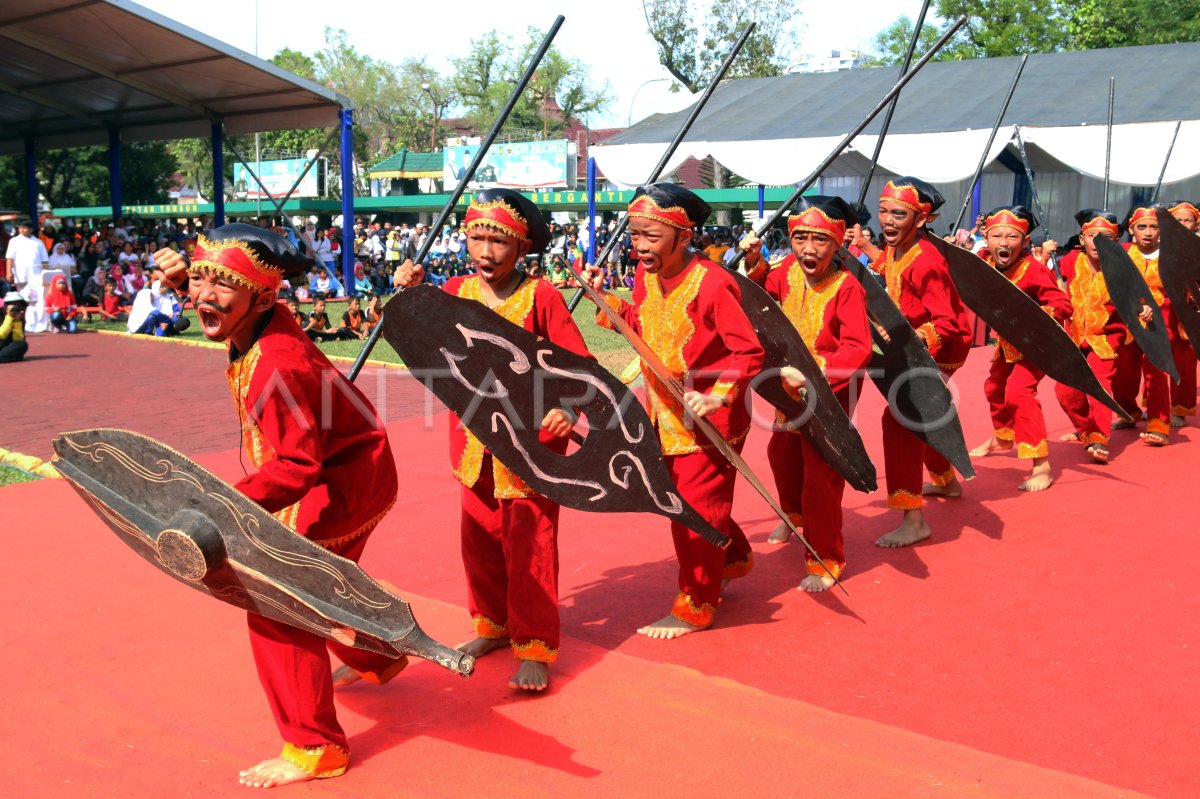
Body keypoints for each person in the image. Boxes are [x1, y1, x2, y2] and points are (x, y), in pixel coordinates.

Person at [154, 224, 402, 787]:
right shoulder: (262, 319)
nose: (203, 298)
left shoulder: (275, 362)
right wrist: (187, 285)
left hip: (337, 486)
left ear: (263, 297)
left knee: (274, 603)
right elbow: (226, 305)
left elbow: (296, 465)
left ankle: (315, 749)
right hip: (351, 470)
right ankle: (380, 657)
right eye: (198, 280)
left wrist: (218, 506)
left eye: (222, 286)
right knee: (315, 589)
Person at [391, 189, 591, 692]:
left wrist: (566, 409)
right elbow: (416, 337)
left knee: (531, 544)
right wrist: (407, 292)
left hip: (532, 443)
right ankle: (494, 626)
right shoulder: (456, 289)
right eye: (477, 237)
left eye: (498, 241)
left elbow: (579, 366)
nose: (486, 251)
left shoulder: (542, 296)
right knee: (479, 540)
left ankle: (536, 646)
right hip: (473, 439)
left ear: (521, 246)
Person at [582, 183, 765, 638]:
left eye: (650, 236)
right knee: (689, 500)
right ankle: (735, 557)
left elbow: (749, 352)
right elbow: (644, 326)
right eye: (636, 234)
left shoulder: (714, 282)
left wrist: (719, 395)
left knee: (692, 508)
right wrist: (602, 301)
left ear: (683, 237)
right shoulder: (646, 277)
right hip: (662, 411)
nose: (639, 246)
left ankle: (697, 605)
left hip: (710, 418)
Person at [741, 196, 872, 590]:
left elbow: (858, 348)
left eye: (819, 241)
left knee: (821, 476)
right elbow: (764, 289)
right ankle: (795, 520)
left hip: (831, 391)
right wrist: (754, 260)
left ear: (837, 245)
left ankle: (826, 557)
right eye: (800, 239)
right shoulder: (788, 271)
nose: (808, 249)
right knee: (781, 457)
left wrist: (816, 376)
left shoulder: (848, 286)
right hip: (787, 388)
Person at [851, 178, 971, 547]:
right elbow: (889, 268)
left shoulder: (928, 262)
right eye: (883, 211)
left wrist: (914, 337)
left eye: (898, 214)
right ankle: (946, 482)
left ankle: (913, 518)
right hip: (911, 345)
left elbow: (947, 322)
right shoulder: (901, 247)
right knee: (925, 417)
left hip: (939, 349)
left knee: (902, 418)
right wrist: (865, 246)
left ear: (921, 220)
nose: (887, 220)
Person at [969, 206, 1073, 489]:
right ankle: (1003, 437)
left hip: (1038, 344)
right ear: (986, 239)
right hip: (1008, 344)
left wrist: (1033, 320)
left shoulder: (1034, 270)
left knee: (1018, 392)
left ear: (1025, 241)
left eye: (1012, 237)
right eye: (996, 236)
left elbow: (1063, 304)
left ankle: (1041, 464)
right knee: (993, 388)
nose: (1003, 243)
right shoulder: (982, 261)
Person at [1054, 209, 1129, 463]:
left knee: (1100, 386)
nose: (1097, 242)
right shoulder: (1068, 261)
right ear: (1081, 239)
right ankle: (1086, 428)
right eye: (1092, 235)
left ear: (1115, 242)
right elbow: (1042, 279)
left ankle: (1099, 436)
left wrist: (1146, 309)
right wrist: (1045, 256)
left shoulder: (1124, 267)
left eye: (1105, 236)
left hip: (1105, 339)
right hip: (1072, 339)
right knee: (1064, 391)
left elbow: (1140, 298)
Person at [1111, 205, 1172, 446]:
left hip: (1160, 322)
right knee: (1123, 371)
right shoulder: (1121, 253)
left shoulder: (1171, 257)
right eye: (1142, 227)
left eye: (1154, 227)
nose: (1148, 232)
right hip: (1126, 321)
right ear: (1131, 230)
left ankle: (1159, 423)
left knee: (1157, 373)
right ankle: (1128, 412)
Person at [1165, 200, 1199, 426]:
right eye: (1179, 220)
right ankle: (1156, 405)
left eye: (1188, 220)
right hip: (1161, 308)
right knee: (1156, 362)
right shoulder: (1157, 244)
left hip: (1189, 311)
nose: (1183, 224)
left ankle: (1180, 408)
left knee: (1185, 362)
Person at [4, 220, 50, 333]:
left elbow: (45, 261)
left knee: (39, 300)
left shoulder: (38, 242)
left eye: (24, 228)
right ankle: (28, 323)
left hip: (37, 276)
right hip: (21, 275)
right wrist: (9, 272)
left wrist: (45, 275)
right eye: (20, 228)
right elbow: (10, 258)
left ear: (31, 229)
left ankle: (40, 324)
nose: (22, 230)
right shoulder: (14, 241)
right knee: (25, 300)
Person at [0, 291, 28, 363]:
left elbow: (18, 340)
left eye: (19, 305)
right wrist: (9, 318)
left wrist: (17, 321)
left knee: (22, 344)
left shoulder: (20, 317)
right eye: (13, 304)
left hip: (8, 345)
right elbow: (1, 335)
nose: (16, 307)